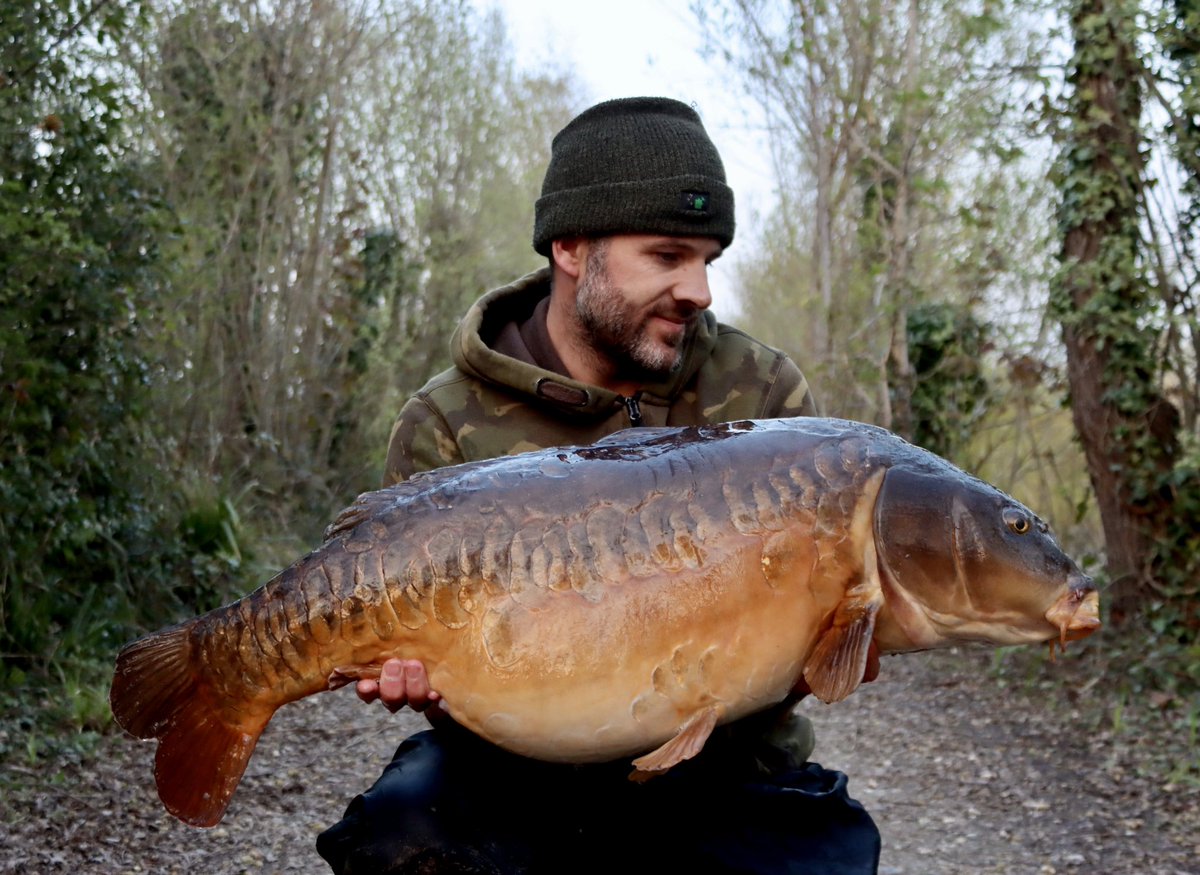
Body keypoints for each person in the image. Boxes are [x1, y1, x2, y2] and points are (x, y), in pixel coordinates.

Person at [317, 96, 881, 875]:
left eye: (707, 260)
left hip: (724, 768)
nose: (700, 291)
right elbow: (435, 660)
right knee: (401, 835)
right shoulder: (446, 420)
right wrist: (414, 677)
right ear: (572, 247)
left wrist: (834, 636)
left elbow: (796, 643)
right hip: (517, 769)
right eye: (667, 256)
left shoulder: (764, 395)